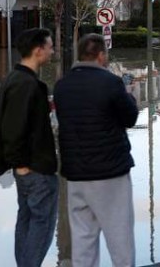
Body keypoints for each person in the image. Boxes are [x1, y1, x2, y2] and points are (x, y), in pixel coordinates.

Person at [54, 33, 139, 267]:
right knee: (119, 237)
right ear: (101, 56)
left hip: (75, 175)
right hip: (109, 173)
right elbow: (129, 118)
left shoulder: (62, 86)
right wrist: (129, 95)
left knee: (83, 239)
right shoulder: (111, 83)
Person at [0, 27, 59, 267]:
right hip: (35, 170)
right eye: (50, 46)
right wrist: (20, 165)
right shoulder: (25, 84)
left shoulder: (16, 79)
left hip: (30, 169)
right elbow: (12, 129)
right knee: (42, 225)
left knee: (27, 219)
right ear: (38, 50)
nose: (53, 51)